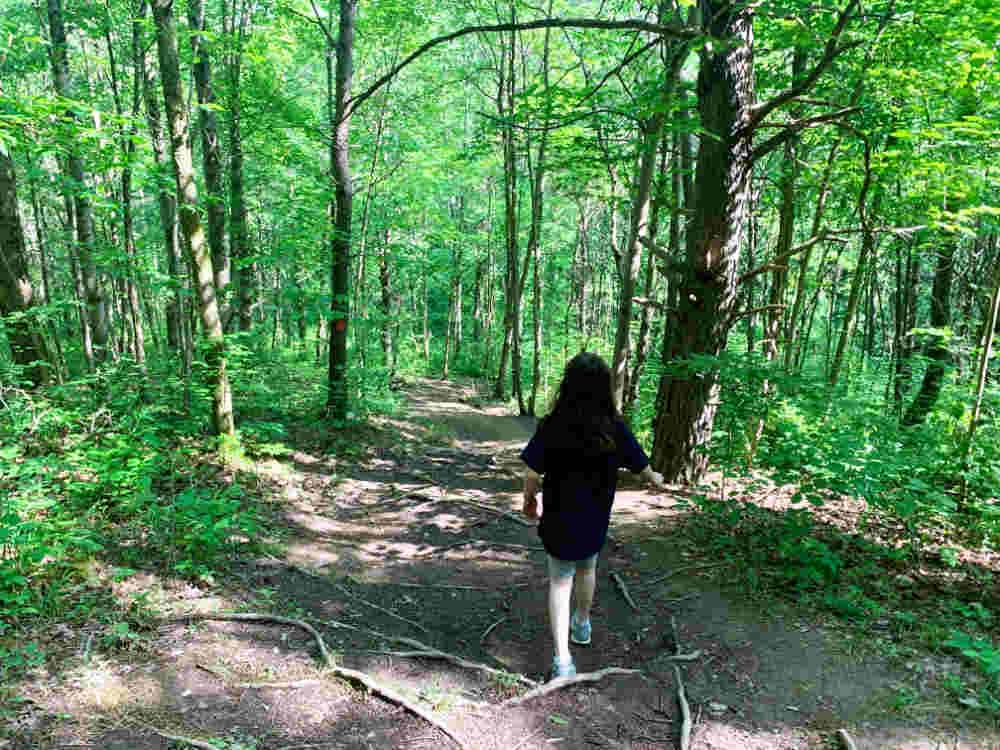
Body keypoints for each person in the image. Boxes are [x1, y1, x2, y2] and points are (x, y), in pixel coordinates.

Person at [519, 352, 666, 680]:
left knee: (559, 581)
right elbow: (641, 465)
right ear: (605, 388)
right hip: (596, 517)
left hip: (559, 518)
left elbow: (531, 472)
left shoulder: (553, 424)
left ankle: (562, 661)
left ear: (568, 385)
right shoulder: (613, 427)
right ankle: (582, 624)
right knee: (587, 568)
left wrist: (529, 500)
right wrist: (655, 478)